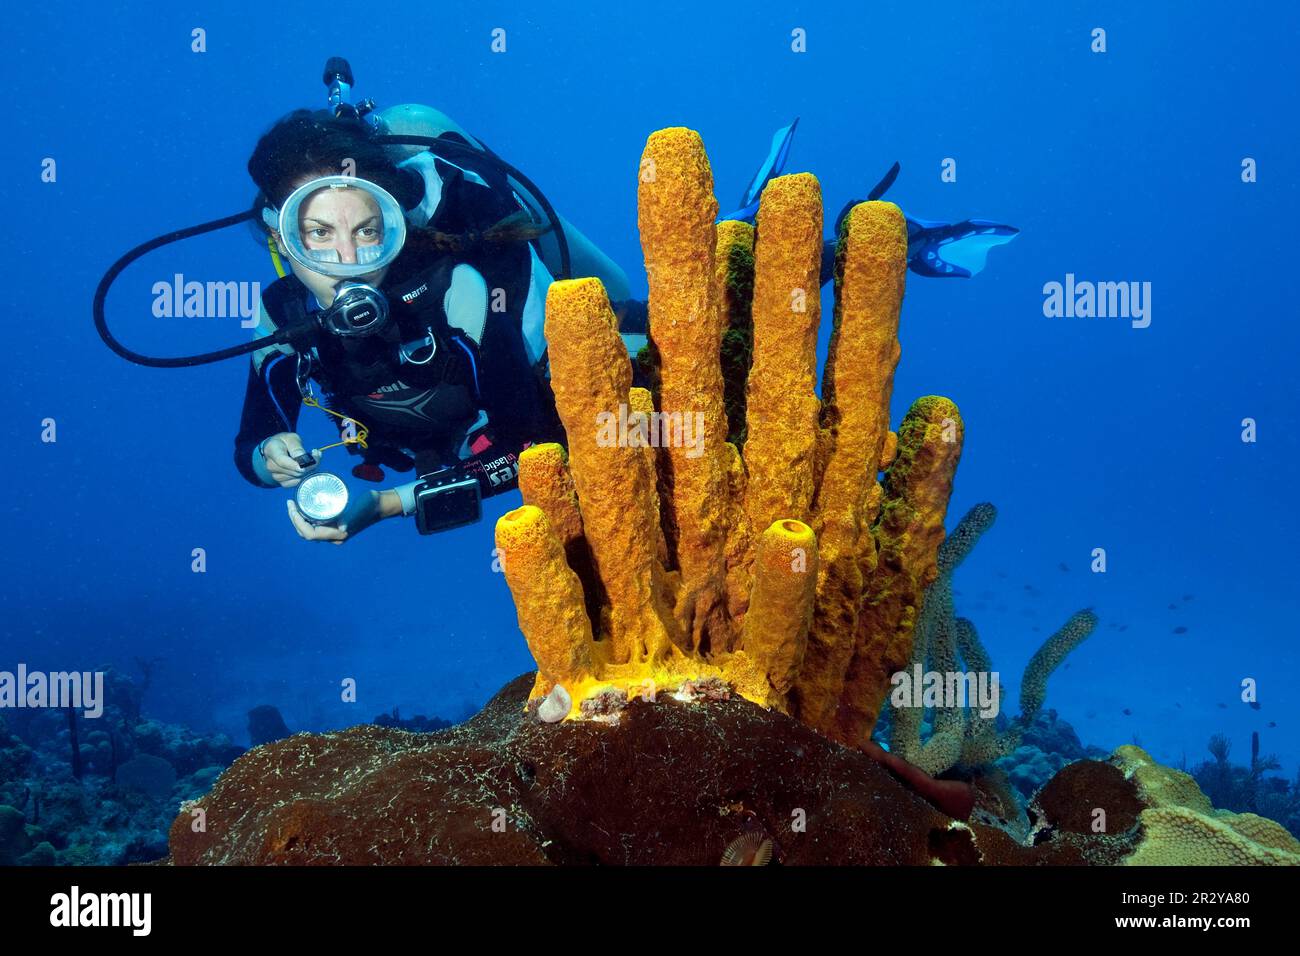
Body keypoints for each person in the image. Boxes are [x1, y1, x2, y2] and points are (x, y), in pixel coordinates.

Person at [235, 107, 632, 543]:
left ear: (392, 224)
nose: (348, 262)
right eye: (320, 233)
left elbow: (536, 444)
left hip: (559, 403)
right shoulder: (285, 314)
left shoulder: (457, 288)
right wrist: (269, 455)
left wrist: (389, 504)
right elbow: (253, 445)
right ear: (280, 236)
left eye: (367, 232)